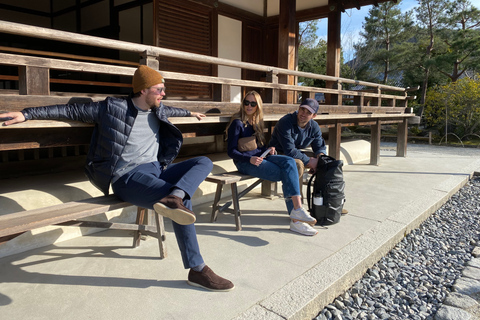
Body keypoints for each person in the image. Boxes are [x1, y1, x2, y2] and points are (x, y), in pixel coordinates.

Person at [0, 65, 234, 292]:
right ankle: (197, 268)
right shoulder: (112, 108)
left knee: (203, 162)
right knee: (185, 204)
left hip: (157, 170)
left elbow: (172, 110)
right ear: (143, 90)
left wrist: (190, 113)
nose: (164, 94)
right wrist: (26, 113)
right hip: (128, 178)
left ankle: (175, 196)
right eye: (159, 89)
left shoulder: (158, 108)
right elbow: (68, 110)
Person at [225, 90, 318, 236]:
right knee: (288, 173)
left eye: (253, 103)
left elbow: (257, 147)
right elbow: (231, 151)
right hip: (245, 163)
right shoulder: (237, 123)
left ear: (258, 106)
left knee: (290, 162)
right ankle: (296, 220)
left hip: (261, 157)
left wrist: (268, 149)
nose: (249, 106)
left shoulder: (255, 122)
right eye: (246, 102)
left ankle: (297, 211)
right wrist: (249, 159)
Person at [269, 98, 348, 214]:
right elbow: (290, 150)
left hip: (295, 153)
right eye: (302, 109)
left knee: (326, 163)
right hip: (278, 154)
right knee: (298, 164)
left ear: (314, 115)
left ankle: (328, 203)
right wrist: (309, 161)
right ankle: (297, 208)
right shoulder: (285, 122)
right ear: (298, 108)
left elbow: (319, 147)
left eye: (308, 112)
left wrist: (319, 159)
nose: (303, 114)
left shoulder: (314, 126)